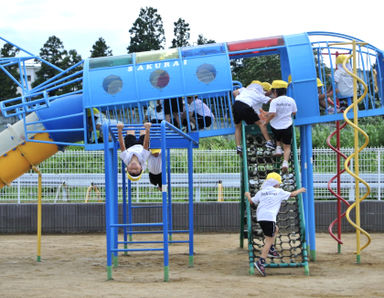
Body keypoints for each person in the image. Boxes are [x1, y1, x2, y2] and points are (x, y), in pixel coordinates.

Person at [244, 172, 306, 277]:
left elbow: (252, 202)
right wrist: (301, 190)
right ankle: (261, 261)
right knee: (268, 240)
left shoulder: (262, 192)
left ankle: (271, 249)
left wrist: (248, 195)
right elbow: (293, 194)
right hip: (269, 218)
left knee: (275, 229)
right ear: (276, 184)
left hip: (261, 217)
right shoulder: (279, 191)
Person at [260, 80, 297, 173]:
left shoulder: (275, 101)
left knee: (277, 139)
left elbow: (273, 114)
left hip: (275, 126)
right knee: (287, 146)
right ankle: (285, 163)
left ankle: (278, 149)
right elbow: (294, 112)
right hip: (287, 125)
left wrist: (266, 122)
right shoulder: (291, 100)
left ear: (275, 91)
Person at [232, 81, 274, 156]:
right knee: (261, 123)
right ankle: (269, 142)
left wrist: (238, 98)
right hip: (246, 107)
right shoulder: (259, 95)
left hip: (236, 105)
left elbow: (234, 92)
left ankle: (238, 146)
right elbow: (272, 101)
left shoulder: (245, 90)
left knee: (238, 127)